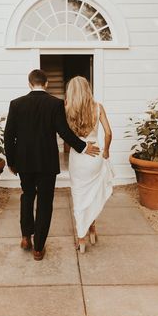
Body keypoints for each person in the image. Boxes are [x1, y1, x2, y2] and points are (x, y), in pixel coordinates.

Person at [4, 69, 100, 261]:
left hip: (23, 161)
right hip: (46, 162)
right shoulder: (55, 104)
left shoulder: (16, 104)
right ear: (46, 84)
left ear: (29, 83)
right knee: (45, 202)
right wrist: (83, 147)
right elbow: (64, 131)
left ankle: (25, 237)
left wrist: (12, 162)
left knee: (27, 195)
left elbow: (8, 135)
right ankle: (38, 248)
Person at [65, 76, 113, 253]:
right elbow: (108, 133)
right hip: (96, 155)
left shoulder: (67, 109)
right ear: (87, 88)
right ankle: (92, 228)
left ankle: (81, 238)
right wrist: (106, 151)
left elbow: (65, 135)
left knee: (79, 195)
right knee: (93, 193)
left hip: (79, 156)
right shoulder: (98, 107)